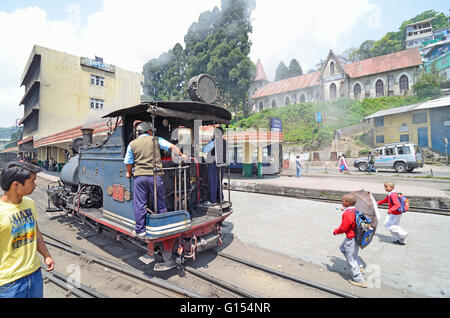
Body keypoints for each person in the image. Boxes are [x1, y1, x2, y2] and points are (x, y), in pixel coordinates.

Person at [0, 162, 55, 298]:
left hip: (34, 274)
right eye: (32, 181)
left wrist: (46, 255)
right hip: (9, 283)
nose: (35, 185)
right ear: (16, 185)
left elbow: (35, 232)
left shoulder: (29, 203)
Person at [124, 122, 187, 238]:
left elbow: (128, 162)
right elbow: (173, 147)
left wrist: (129, 173)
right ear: (149, 131)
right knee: (160, 202)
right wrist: (182, 155)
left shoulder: (132, 144)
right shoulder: (156, 140)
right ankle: (162, 227)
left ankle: (140, 231)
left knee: (140, 204)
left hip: (140, 177)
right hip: (155, 176)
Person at [333, 193, 367, 288]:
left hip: (351, 238)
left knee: (350, 258)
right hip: (356, 236)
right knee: (343, 248)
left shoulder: (347, 214)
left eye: (342, 201)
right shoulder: (354, 209)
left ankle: (359, 279)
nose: (341, 202)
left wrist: (335, 231)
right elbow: (351, 213)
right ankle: (360, 266)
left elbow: (343, 228)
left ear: (347, 203)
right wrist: (345, 209)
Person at [202, 127, 227, 205]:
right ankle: (220, 199)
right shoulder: (225, 142)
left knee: (213, 182)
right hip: (222, 164)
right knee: (219, 182)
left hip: (214, 164)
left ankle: (212, 201)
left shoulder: (214, 141)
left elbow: (204, 150)